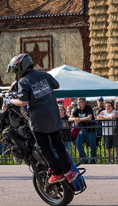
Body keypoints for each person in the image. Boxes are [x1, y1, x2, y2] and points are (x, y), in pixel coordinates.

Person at [8, 53, 77, 183]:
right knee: (58, 145)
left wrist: (10, 100)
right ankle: (68, 172)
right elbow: (57, 85)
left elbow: (22, 102)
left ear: (22, 67)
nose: (15, 72)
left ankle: (56, 172)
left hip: (39, 120)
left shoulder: (24, 81)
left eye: (16, 69)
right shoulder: (44, 75)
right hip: (54, 116)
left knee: (44, 147)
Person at [69, 97, 97, 164]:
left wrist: (79, 119)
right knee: (77, 142)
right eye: (78, 102)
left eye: (80, 102)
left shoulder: (88, 108)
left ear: (84, 103)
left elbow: (89, 117)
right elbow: (70, 118)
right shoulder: (77, 109)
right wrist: (76, 118)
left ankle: (92, 160)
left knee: (92, 146)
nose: (79, 103)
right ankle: (84, 158)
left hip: (91, 130)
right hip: (83, 130)